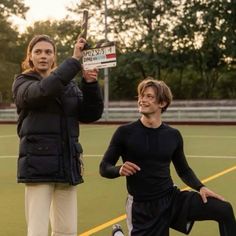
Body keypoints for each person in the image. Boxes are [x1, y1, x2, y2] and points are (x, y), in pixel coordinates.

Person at [99, 77, 236, 236]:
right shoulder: (124, 133)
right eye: (141, 96)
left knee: (224, 209)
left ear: (162, 103)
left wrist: (201, 187)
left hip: (171, 199)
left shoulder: (173, 135)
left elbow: (183, 170)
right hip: (142, 207)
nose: (142, 100)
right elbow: (104, 167)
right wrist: (119, 169)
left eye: (149, 97)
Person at [12, 34, 103, 236]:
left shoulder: (69, 85)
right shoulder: (22, 82)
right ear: (30, 56)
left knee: (67, 231)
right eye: (38, 52)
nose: (43, 56)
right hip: (38, 165)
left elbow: (91, 114)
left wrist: (89, 84)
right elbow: (43, 91)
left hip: (67, 165)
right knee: (37, 231)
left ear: (54, 57)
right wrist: (73, 61)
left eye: (48, 52)